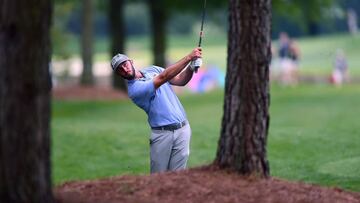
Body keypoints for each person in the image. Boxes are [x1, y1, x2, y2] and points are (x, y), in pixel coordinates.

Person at [110, 47, 202, 173]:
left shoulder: (152, 69)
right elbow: (163, 77)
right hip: (162, 134)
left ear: (131, 61)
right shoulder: (135, 90)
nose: (124, 69)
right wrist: (188, 57)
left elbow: (180, 80)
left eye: (125, 64)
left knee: (178, 177)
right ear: (118, 74)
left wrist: (191, 67)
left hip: (183, 130)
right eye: (120, 69)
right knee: (159, 178)